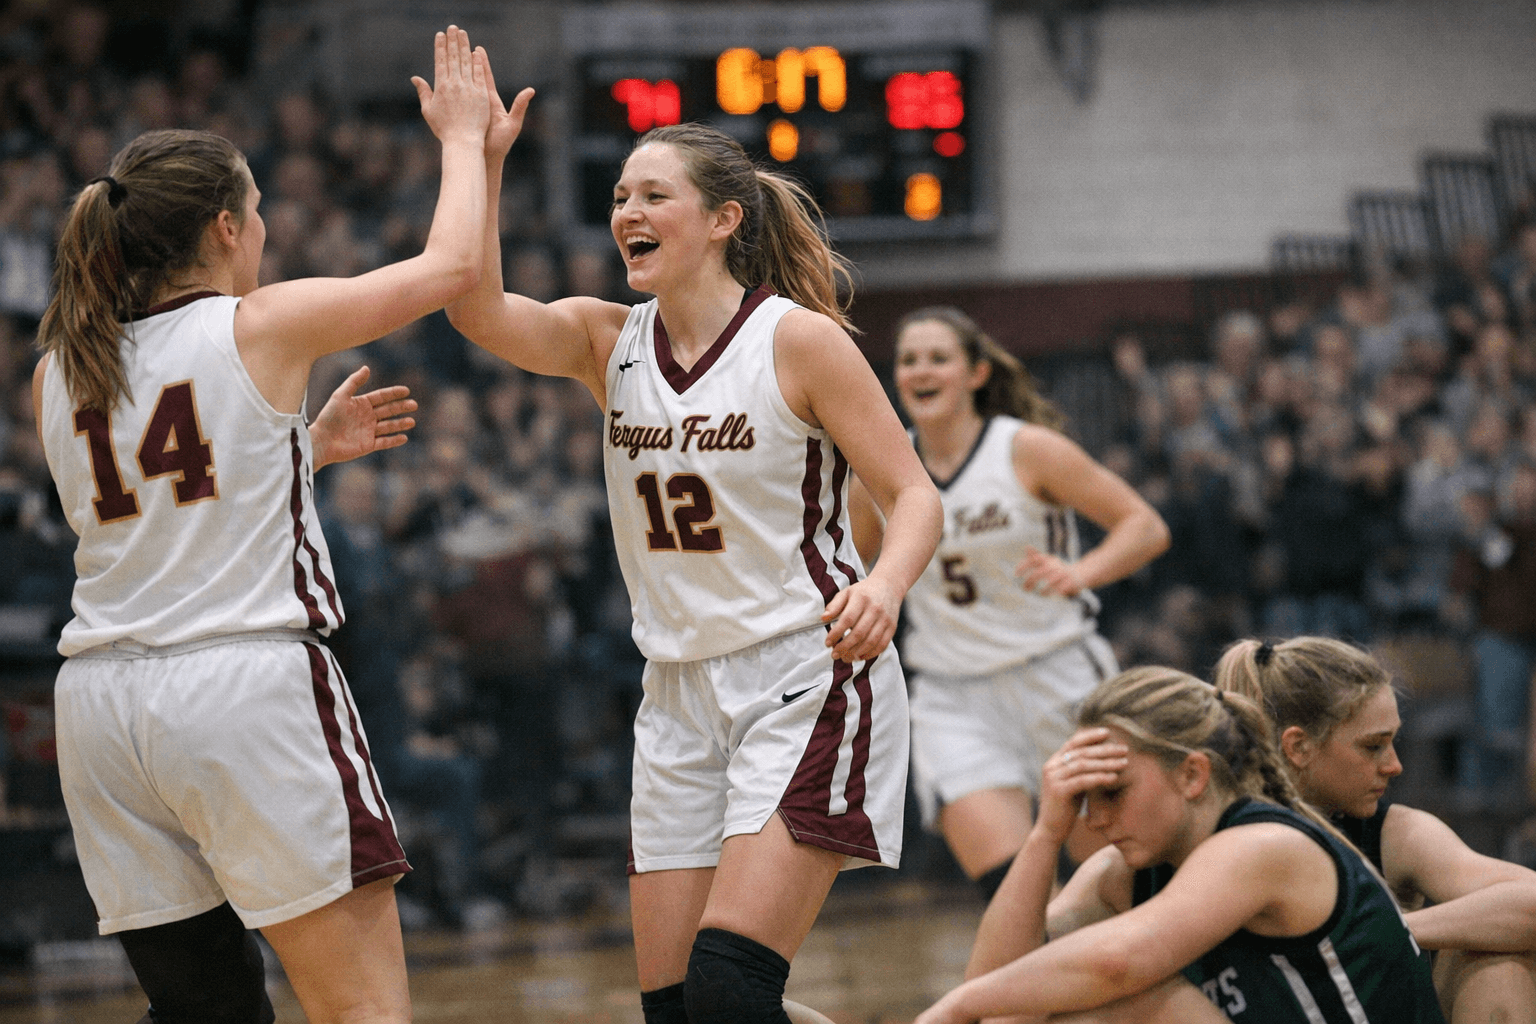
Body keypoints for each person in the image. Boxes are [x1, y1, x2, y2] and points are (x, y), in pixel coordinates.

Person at [445, 66, 942, 1024]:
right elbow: (474, 308)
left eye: (653, 194)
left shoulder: (797, 343)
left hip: (803, 672)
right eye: (620, 195)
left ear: (722, 220)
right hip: (675, 691)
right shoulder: (605, 341)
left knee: (728, 985)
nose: (627, 209)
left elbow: (912, 492)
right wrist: (478, 160)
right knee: (676, 1012)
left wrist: (885, 584)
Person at [31, 27, 490, 1024]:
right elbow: (452, 266)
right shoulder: (258, 324)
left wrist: (296, 452)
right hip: (240, 691)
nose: (268, 229)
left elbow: (149, 512)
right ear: (227, 228)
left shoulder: (57, 367)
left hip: (101, 713)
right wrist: (463, 139)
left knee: (208, 1014)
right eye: (260, 212)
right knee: (363, 1009)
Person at [914, 666, 1444, 1024]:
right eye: (1083, 797)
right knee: (1038, 996)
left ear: (1192, 774)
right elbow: (996, 991)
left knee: (1133, 998)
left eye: (1112, 793)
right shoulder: (1121, 872)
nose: (1094, 819)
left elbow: (1120, 963)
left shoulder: (1261, 846)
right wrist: (1046, 832)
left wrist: (954, 1007)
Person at [849, 306, 1168, 896]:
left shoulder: (1026, 448)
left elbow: (1143, 526)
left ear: (975, 373)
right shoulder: (880, 472)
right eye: (909, 360)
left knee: (1117, 885)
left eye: (938, 358)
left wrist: (1081, 572)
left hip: (1059, 675)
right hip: (953, 693)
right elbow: (846, 568)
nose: (921, 370)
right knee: (1013, 891)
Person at [1216, 636, 1536, 1023]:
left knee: (1494, 958)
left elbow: (1528, 902)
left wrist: (1381, 929)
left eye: (1393, 742)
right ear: (1299, 747)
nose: (1394, 765)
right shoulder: (1218, 842)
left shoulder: (1394, 831)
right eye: (1373, 747)